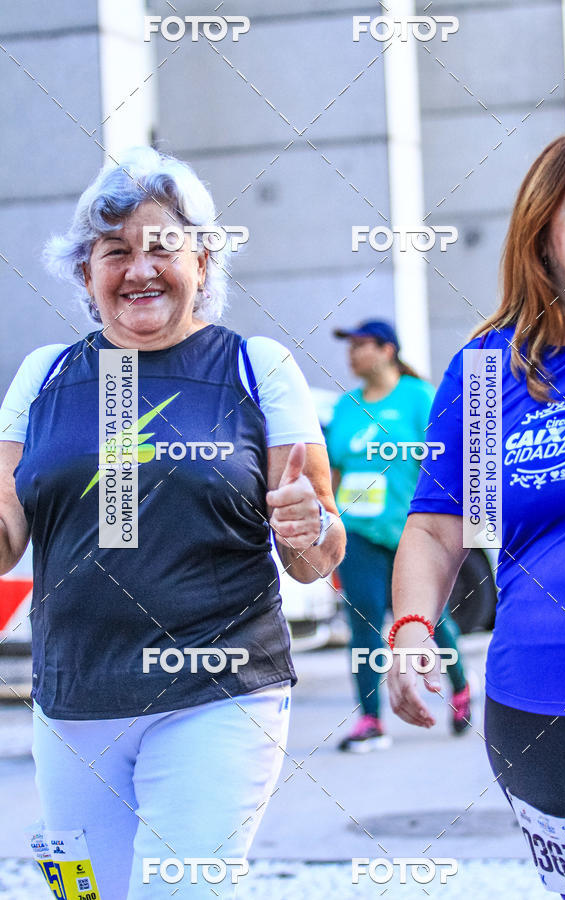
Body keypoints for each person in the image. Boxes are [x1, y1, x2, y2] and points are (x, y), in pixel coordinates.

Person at [0, 147, 345, 899]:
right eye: (114, 252)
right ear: (86, 273)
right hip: (73, 700)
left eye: (162, 246)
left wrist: (306, 524)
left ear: (202, 258)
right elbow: (6, 538)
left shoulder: (258, 368)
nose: (139, 269)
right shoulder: (45, 376)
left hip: (219, 695)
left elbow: (320, 554)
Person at [387, 131, 565, 899]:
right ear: (542, 230)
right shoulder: (488, 372)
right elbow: (443, 526)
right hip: (540, 710)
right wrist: (411, 632)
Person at [327, 320, 470, 752]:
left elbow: (448, 457)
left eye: (361, 345)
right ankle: (370, 719)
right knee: (363, 621)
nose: (352, 354)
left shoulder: (418, 397)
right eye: (349, 346)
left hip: (411, 530)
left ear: (387, 349)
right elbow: (334, 470)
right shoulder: (346, 406)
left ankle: (461, 686)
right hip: (359, 533)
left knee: (429, 619)